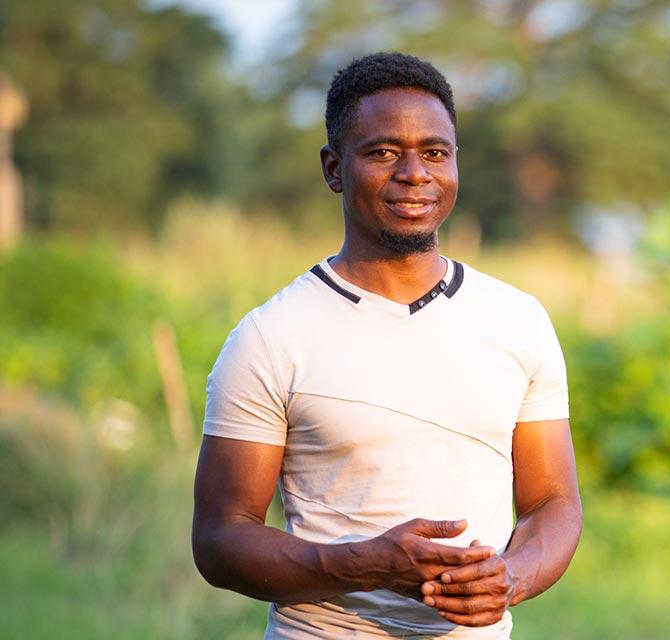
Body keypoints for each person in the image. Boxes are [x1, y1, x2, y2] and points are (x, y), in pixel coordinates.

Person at [191, 52, 583, 639]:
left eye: (434, 152)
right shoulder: (270, 338)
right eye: (382, 152)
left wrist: (512, 577)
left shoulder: (517, 319)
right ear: (333, 168)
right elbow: (221, 537)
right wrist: (362, 564)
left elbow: (554, 502)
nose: (414, 173)